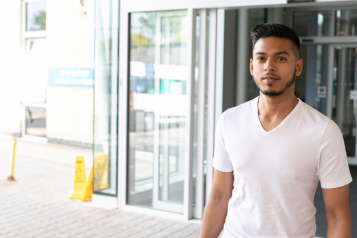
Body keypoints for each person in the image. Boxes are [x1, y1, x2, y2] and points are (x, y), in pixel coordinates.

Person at [200, 23, 352, 238]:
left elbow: (337, 216)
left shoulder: (324, 131)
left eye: (280, 58)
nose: (269, 66)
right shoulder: (229, 120)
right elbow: (218, 196)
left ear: (297, 67)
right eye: (261, 58)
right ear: (252, 66)